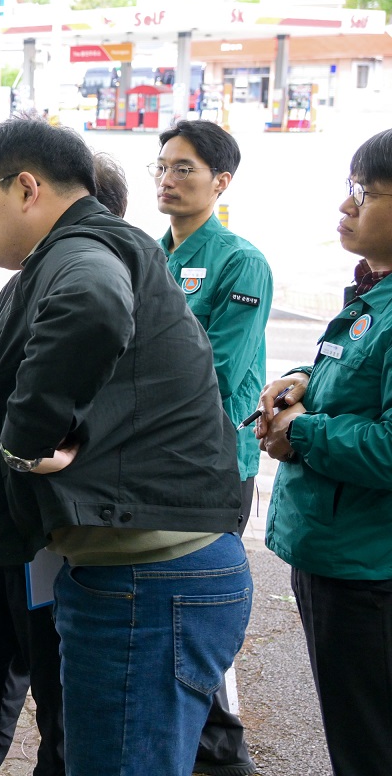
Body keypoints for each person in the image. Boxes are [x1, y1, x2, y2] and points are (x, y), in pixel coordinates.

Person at [0, 116, 249, 776]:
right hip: (140, 569)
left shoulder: (82, 252)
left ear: (26, 187)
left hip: (147, 580)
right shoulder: (89, 247)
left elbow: (92, 308)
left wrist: (20, 442)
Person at [0, 151, 127, 776]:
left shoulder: (97, 285)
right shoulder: (19, 289)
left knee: (56, 689)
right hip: (4, 521)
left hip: (59, 531)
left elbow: (86, 423)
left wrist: (18, 440)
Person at [258, 129, 392, 776]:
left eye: (364, 192)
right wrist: (301, 381)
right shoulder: (374, 294)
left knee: (367, 744)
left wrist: (301, 431)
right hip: (335, 557)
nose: (347, 206)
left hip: (367, 573)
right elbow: (354, 383)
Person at [153, 120, 271, 776]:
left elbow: (219, 374)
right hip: (155, 467)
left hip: (213, 466)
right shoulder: (147, 253)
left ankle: (226, 761)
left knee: (201, 632)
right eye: (163, 167)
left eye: (185, 169)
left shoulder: (239, 261)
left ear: (220, 182)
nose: (168, 180)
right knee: (170, 625)